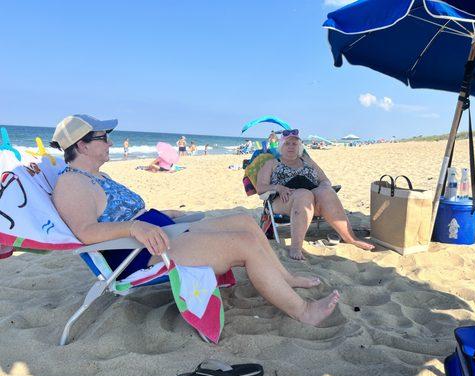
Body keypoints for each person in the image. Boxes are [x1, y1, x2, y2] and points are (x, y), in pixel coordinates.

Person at [50, 114, 340, 327]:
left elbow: (121, 212)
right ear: (82, 146)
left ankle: (286, 278)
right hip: (137, 253)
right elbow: (86, 232)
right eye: (102, 138)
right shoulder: (72, 184)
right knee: (244, 244)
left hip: (155, 233)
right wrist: (135, 226)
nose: (110, 142)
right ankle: (303, 311)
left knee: (245, 223)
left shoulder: (97, 176)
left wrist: (159, 214)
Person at [256, 129, 374, 260]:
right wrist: (278, 187)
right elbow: (260, 187)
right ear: (281, 146)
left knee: (326, 191)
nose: (291, 147)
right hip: (283, 200)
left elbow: (325, 180)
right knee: (303, 195)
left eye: (294, 144)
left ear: (299, 146)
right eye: (287, 143)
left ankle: (351, 238)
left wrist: (323, 187)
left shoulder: (307, 161)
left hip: (312, 199)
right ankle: (296, 247)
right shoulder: (271, 163)